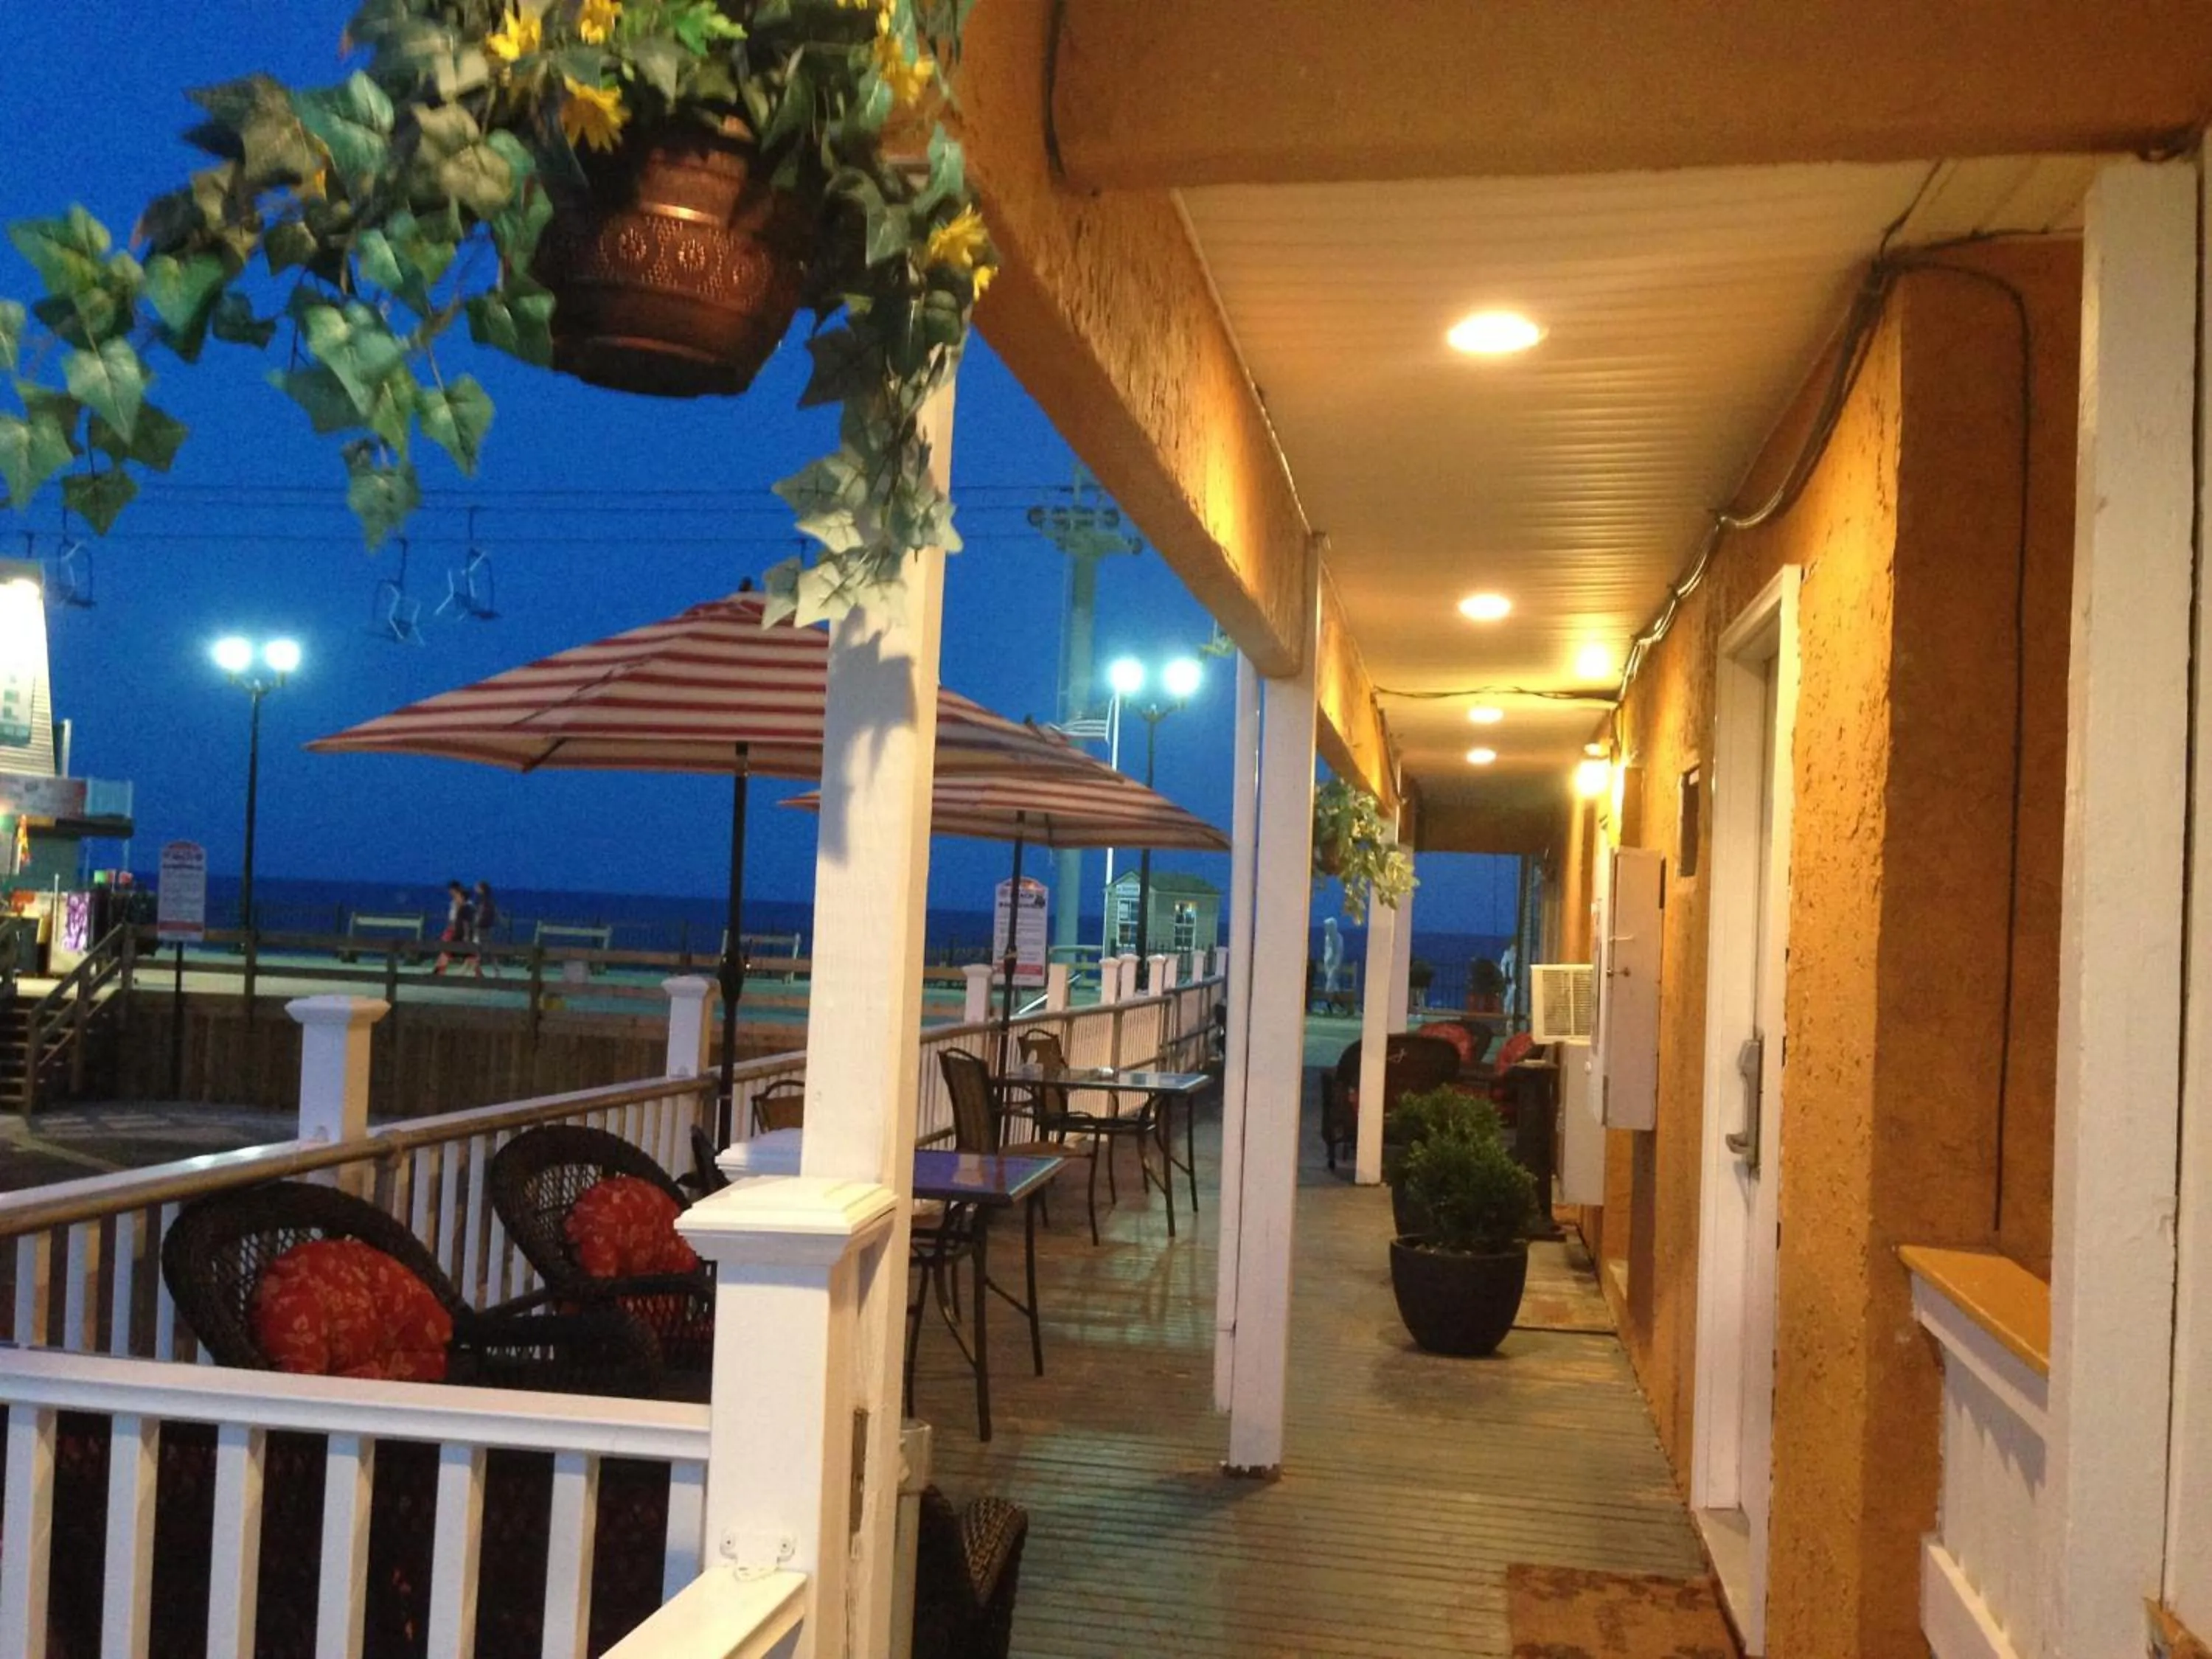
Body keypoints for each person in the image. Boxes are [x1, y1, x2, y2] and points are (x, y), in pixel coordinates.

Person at [432, 879, 473, 975]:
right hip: (452, 929)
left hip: (458, 930)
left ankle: (439, 970)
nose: (450, 892)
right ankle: (439, 970)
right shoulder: (454, 903)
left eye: (451, 890)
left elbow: (465, 920)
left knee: (451, 950)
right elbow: (452, 918)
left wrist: (464, 932)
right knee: (446, 949)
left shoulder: (466, 904)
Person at [470, 880, 500, 978]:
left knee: (481, 949)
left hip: (481, 928)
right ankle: (479, 971)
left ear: (482, 889)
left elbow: (480, 914)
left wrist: (475, 923)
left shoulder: (482, 901)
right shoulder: (489, 900)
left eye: (478, 887)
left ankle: (483, 971)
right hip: (486, 927)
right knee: (484, 949)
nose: (475, 889)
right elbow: (495, 913)